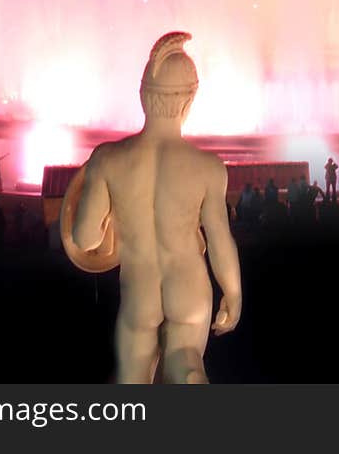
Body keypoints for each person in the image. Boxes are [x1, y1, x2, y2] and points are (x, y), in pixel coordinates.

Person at [62, 31, 242, 384]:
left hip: (139, 292)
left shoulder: (109, 159)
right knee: (184, 359)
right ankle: (187, 373)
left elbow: (84, 239)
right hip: (189, 287)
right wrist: (233, 293)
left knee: (131, 375)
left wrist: (106, 233)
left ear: (143, 95)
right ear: (189, 100)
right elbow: (220, 240)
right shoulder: (207, 168)